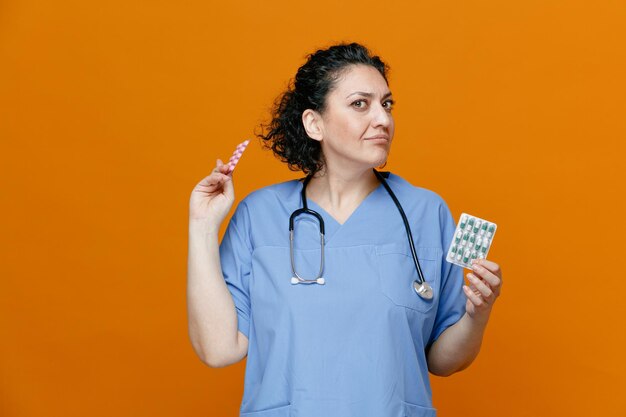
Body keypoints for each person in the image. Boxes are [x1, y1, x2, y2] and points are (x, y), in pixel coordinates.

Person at [187, 42, 503, 417]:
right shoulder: (259, 215)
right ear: (314, 123)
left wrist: (477, 316)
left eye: (386, 104)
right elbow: (219, 349)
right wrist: (203, 225)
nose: (382, 119)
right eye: (360, 104)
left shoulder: (425, 212)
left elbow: (443, 360)